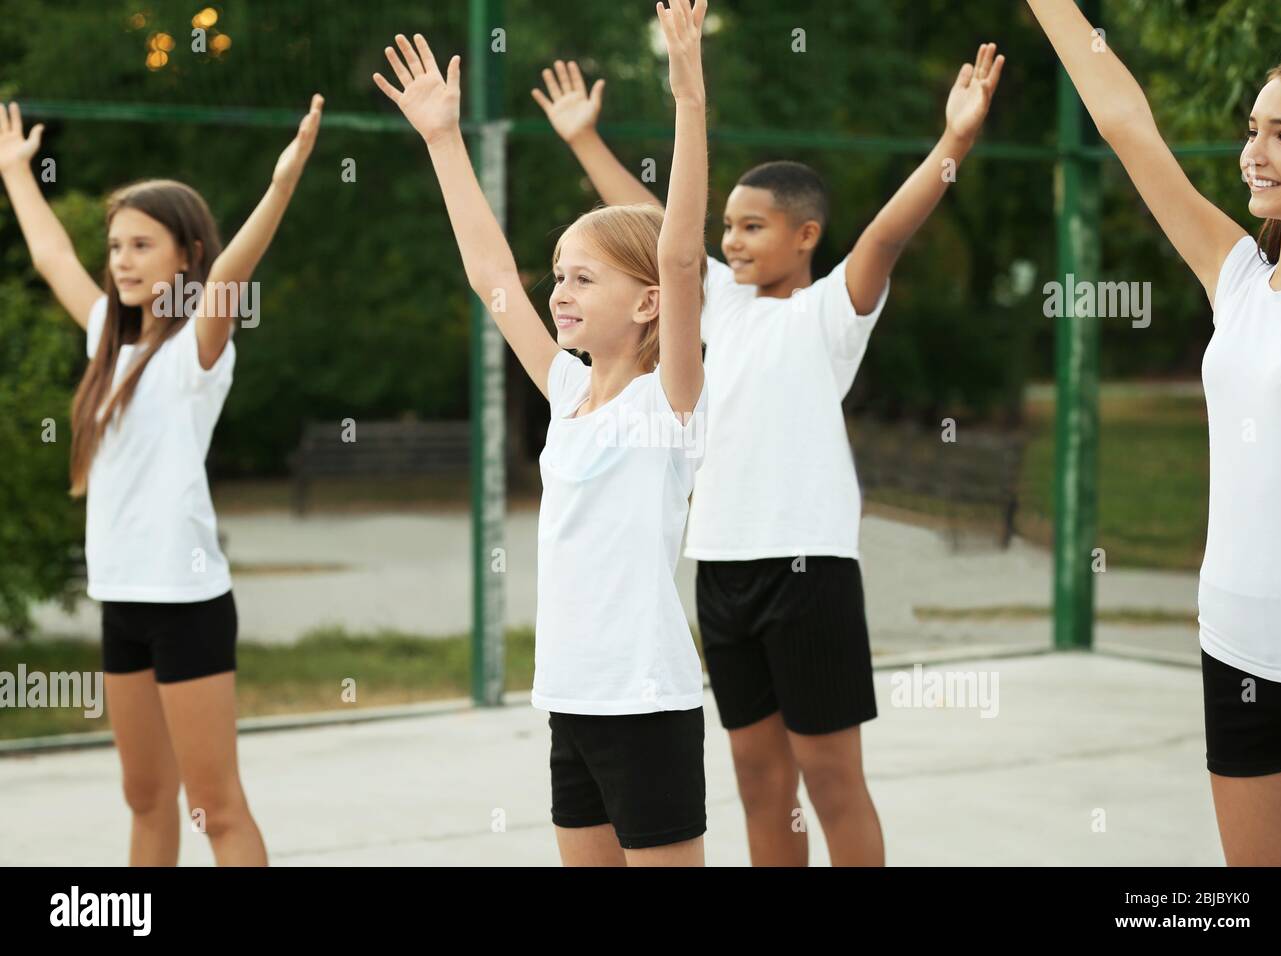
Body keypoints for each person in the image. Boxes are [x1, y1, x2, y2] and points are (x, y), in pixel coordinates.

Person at [534, 43, 1004, 865]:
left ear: (806, 234)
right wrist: (583, 140)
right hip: (721, 567)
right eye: (728, 227)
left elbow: (889, 234)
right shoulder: (712, 302)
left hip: (807, 570)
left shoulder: (830, 312)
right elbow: (659, 235)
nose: (734, 241)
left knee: (829, 775)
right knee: (757, 777)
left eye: (753, 226)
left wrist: (953, 143)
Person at [373, 0, 710, 866]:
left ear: (646, 305)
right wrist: (443, 140)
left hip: (646, 704)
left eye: (582, 277)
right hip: (571, 699)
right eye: (558, 274)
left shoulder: (668, 406)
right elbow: (491, 275)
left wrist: (688, 92)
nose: (558, 291)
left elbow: (678, 254)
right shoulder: (568, 394)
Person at [0, 95, 324, 865]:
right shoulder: (105, 343)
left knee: (215, 808)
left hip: (187, 609)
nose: (121, 260)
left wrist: (281, 185)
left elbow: (233, 273)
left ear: (187, 254)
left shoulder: (197, 351)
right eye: (115, 246)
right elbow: (51, 257)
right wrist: (16, 172)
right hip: (123, 603)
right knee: (145, 800)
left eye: (141, 245)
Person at [1028, 0, 1281, 866]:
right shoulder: (1241, 281)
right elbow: (1123, 122)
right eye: (1253, 128)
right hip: (1237, 641)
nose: (1253, 152)